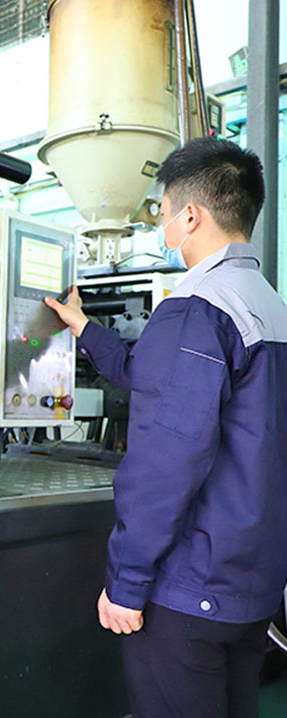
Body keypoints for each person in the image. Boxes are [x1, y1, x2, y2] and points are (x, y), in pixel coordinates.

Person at [45, 138, 287, 718]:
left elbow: (166, 464)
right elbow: (150, 372)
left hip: (190, 589)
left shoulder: (198, 307)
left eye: (162, 211)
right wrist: (84, 328)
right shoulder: (269, 305)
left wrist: (127, 583)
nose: (161, 224)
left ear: (191, 216)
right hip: (253, 587)